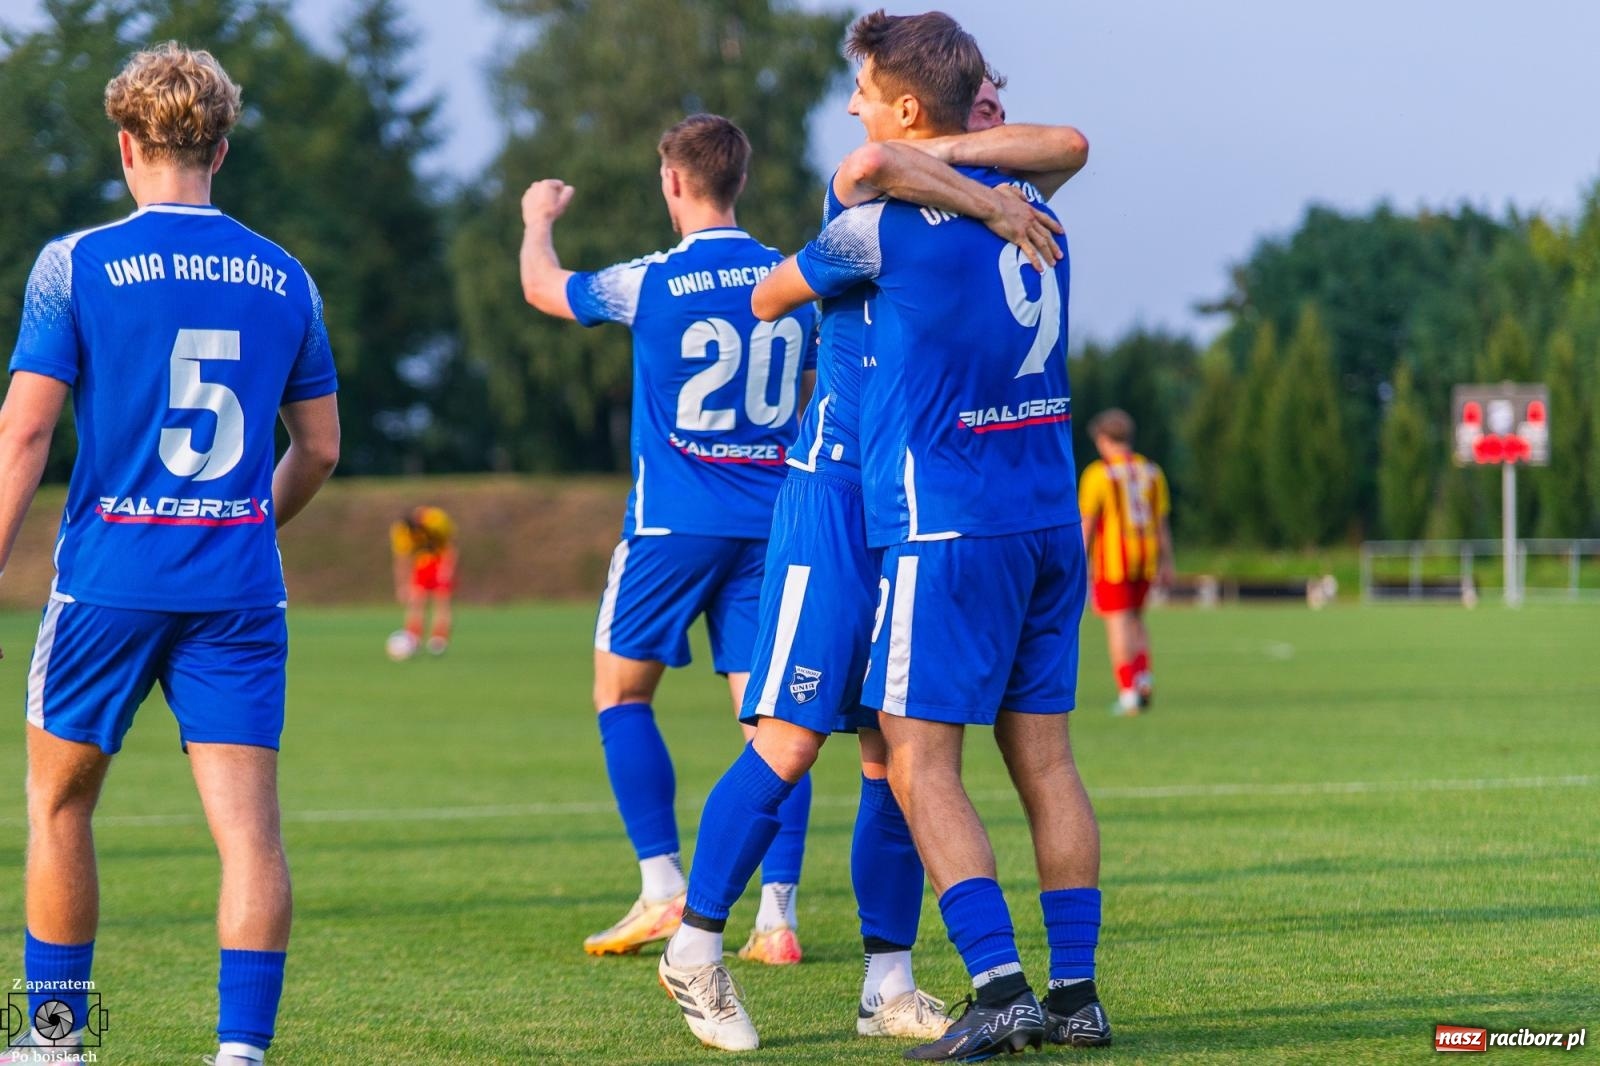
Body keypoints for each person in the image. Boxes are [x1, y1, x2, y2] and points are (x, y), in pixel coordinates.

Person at [656, 11, 1093, 1055]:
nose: (848, 104)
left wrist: (974, 173)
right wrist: (982, 190)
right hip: (837, 500)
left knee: (896, 756)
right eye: (984, 103)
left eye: (861, 88)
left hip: (919, 503)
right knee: (791, 739)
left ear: (911, 106)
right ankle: (695, 947)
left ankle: (887, 983)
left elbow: (1059, 144)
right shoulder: (874, 203)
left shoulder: (969, 198)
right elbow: (858, 184)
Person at [0, 43, 339, 1066]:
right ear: (221, 149)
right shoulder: (287, 276)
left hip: (109, 582)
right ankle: (240, 1055)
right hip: (237, 592)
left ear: (124, 144)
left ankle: (55, 1043)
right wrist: (244, 522)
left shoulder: (75, 264)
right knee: (250, 836)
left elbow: (25, 432)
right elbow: (320, 448)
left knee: (60, 805)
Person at [519, 115, 818, 964]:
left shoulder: (647, 280)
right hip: (772, 525)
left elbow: (544, 288)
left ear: (672, 182)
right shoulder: (794, 275)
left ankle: (661, 890)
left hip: (670, 526)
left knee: (621, 695)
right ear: (740, 180)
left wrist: (538, 219)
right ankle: (777, 918)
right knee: (772, 727)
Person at [1079, 409, 1174, 714]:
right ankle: (1143, 677)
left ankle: (1128, 693)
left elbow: (1088, 523)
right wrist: (1167, 562)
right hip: (1146, 557)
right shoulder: (1152, 471)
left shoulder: (1098, 473)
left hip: (1114, 562)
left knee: (1117, 623)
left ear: (1103, 439)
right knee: (1137, 620)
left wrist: (1078, 562)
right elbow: (1161, 522)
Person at [389, 505, 458, 657]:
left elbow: (451, 545)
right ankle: (413, 639)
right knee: (416, 600)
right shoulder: (401, 532)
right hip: (422, 563)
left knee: (442, 600)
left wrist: (447, 568)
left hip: (440, 560)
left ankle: (439, 640)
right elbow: (402, 559)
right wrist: (402, 585)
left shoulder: (437, 520)